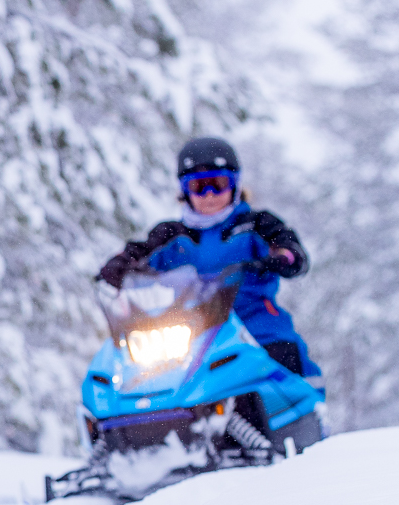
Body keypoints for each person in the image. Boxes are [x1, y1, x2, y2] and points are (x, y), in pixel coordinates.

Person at [98, 136, 323, 387]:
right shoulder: (171, 235)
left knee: (279, 360)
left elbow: (291, 250)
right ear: (184, 191)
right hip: (190, 333)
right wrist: (116, 269)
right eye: (199, 187)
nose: (209, 195)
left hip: (255, 324)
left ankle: (297, 406)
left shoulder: (256, 224)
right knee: (145, 375)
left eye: (218, 184)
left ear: (235, 185)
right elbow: (136, 252)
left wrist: (279, 260)